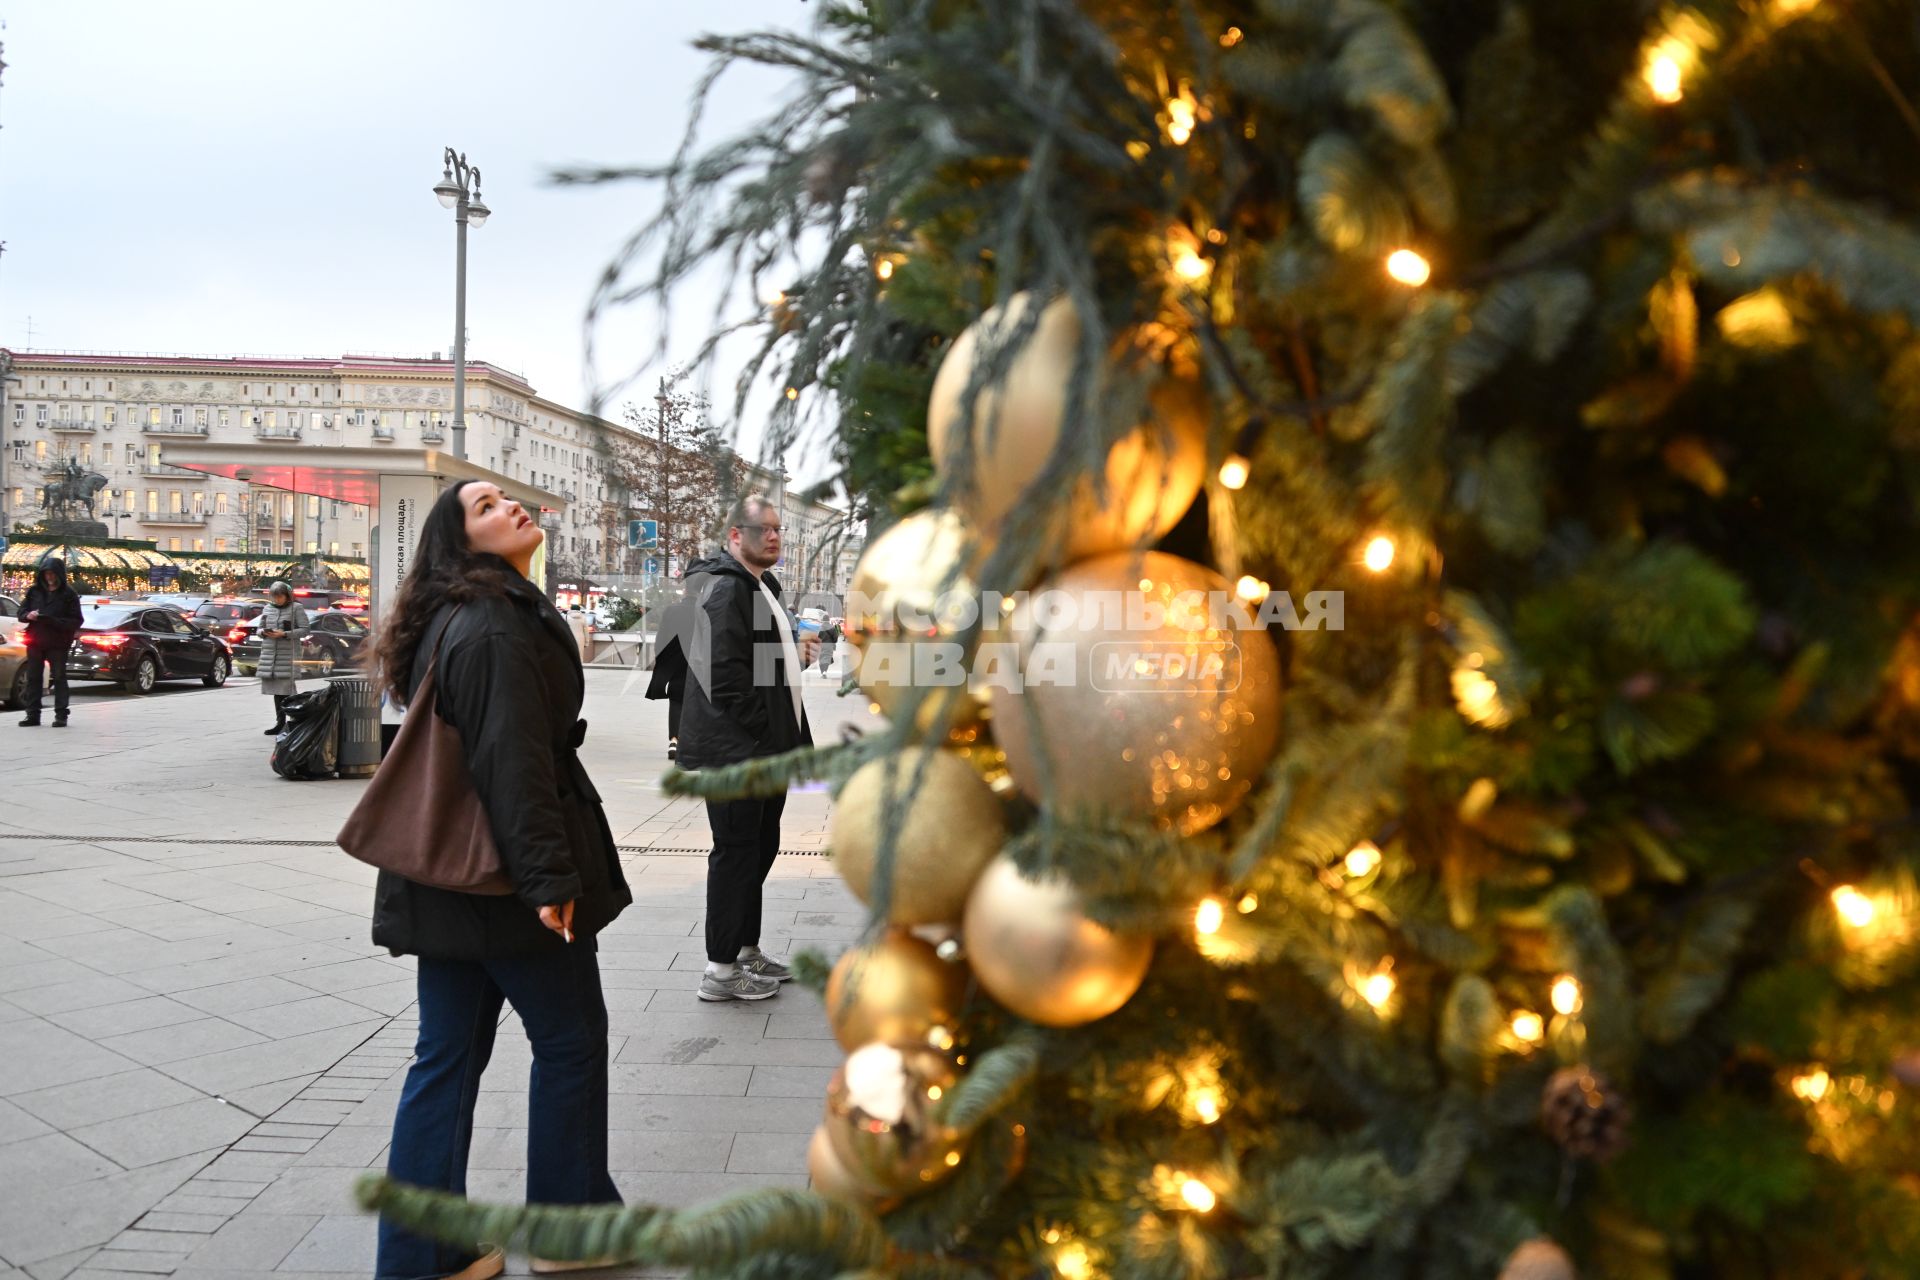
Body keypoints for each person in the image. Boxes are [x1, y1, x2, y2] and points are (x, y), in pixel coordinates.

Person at [369, 480, 633, 1280]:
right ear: (462, 543)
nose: (511, 508)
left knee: (445, 1058)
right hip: (506, 878)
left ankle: (424, 1254)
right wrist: (550, 882)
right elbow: (511, 763)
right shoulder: (490, 626)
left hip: (450, 875)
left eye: (506, 500)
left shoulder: (469, 615)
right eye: (486, 508)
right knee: (570, 1043)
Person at [676, 494, 819, 1002]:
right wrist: (762, 731)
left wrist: (794, 655)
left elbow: (759, 669)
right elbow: (722, 673)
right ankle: (719, 971)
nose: (775, 537)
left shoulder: (761, 588)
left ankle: (744, 949)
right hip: (738, 752)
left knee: (759, 847)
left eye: (779, 530)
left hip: (763, 749)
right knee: (736, 853)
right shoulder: (726, 589)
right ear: (736, 535)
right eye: (764, 530)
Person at [18, 557, 82, 728]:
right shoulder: (34, 591)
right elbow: (21, 612)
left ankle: (61, 715)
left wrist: (54, 621)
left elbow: (76, 620)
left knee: (59, 677)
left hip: (57, 642)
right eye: (46, 573)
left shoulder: (69, 594)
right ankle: (33, 714)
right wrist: (28, 615)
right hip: (36, 641)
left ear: (59, 574)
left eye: (52, 573)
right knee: (33, 678)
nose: (49, 577)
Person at [644, 591, 693, 761]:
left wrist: (661, 661)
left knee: (676, 700)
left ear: (686, 590)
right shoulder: (706, 610)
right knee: (697, 702)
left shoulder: (672, 611)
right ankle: (693, 743)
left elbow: (662, 638)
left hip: (676, 662)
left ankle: (674, 740)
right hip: (698, 664)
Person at [255, 582, 308, 734]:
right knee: (277, 692)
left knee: (287, 691)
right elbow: (259, 628)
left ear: (287, 595)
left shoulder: (296, 608)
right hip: (270, 655)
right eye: (274, 596)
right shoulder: (267, 608)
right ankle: (280, 723)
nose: (277, 599)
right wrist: (264, 633)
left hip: (287, 655)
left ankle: (293, 722)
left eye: (280, 596)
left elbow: (305, 630)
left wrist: (284, 634)